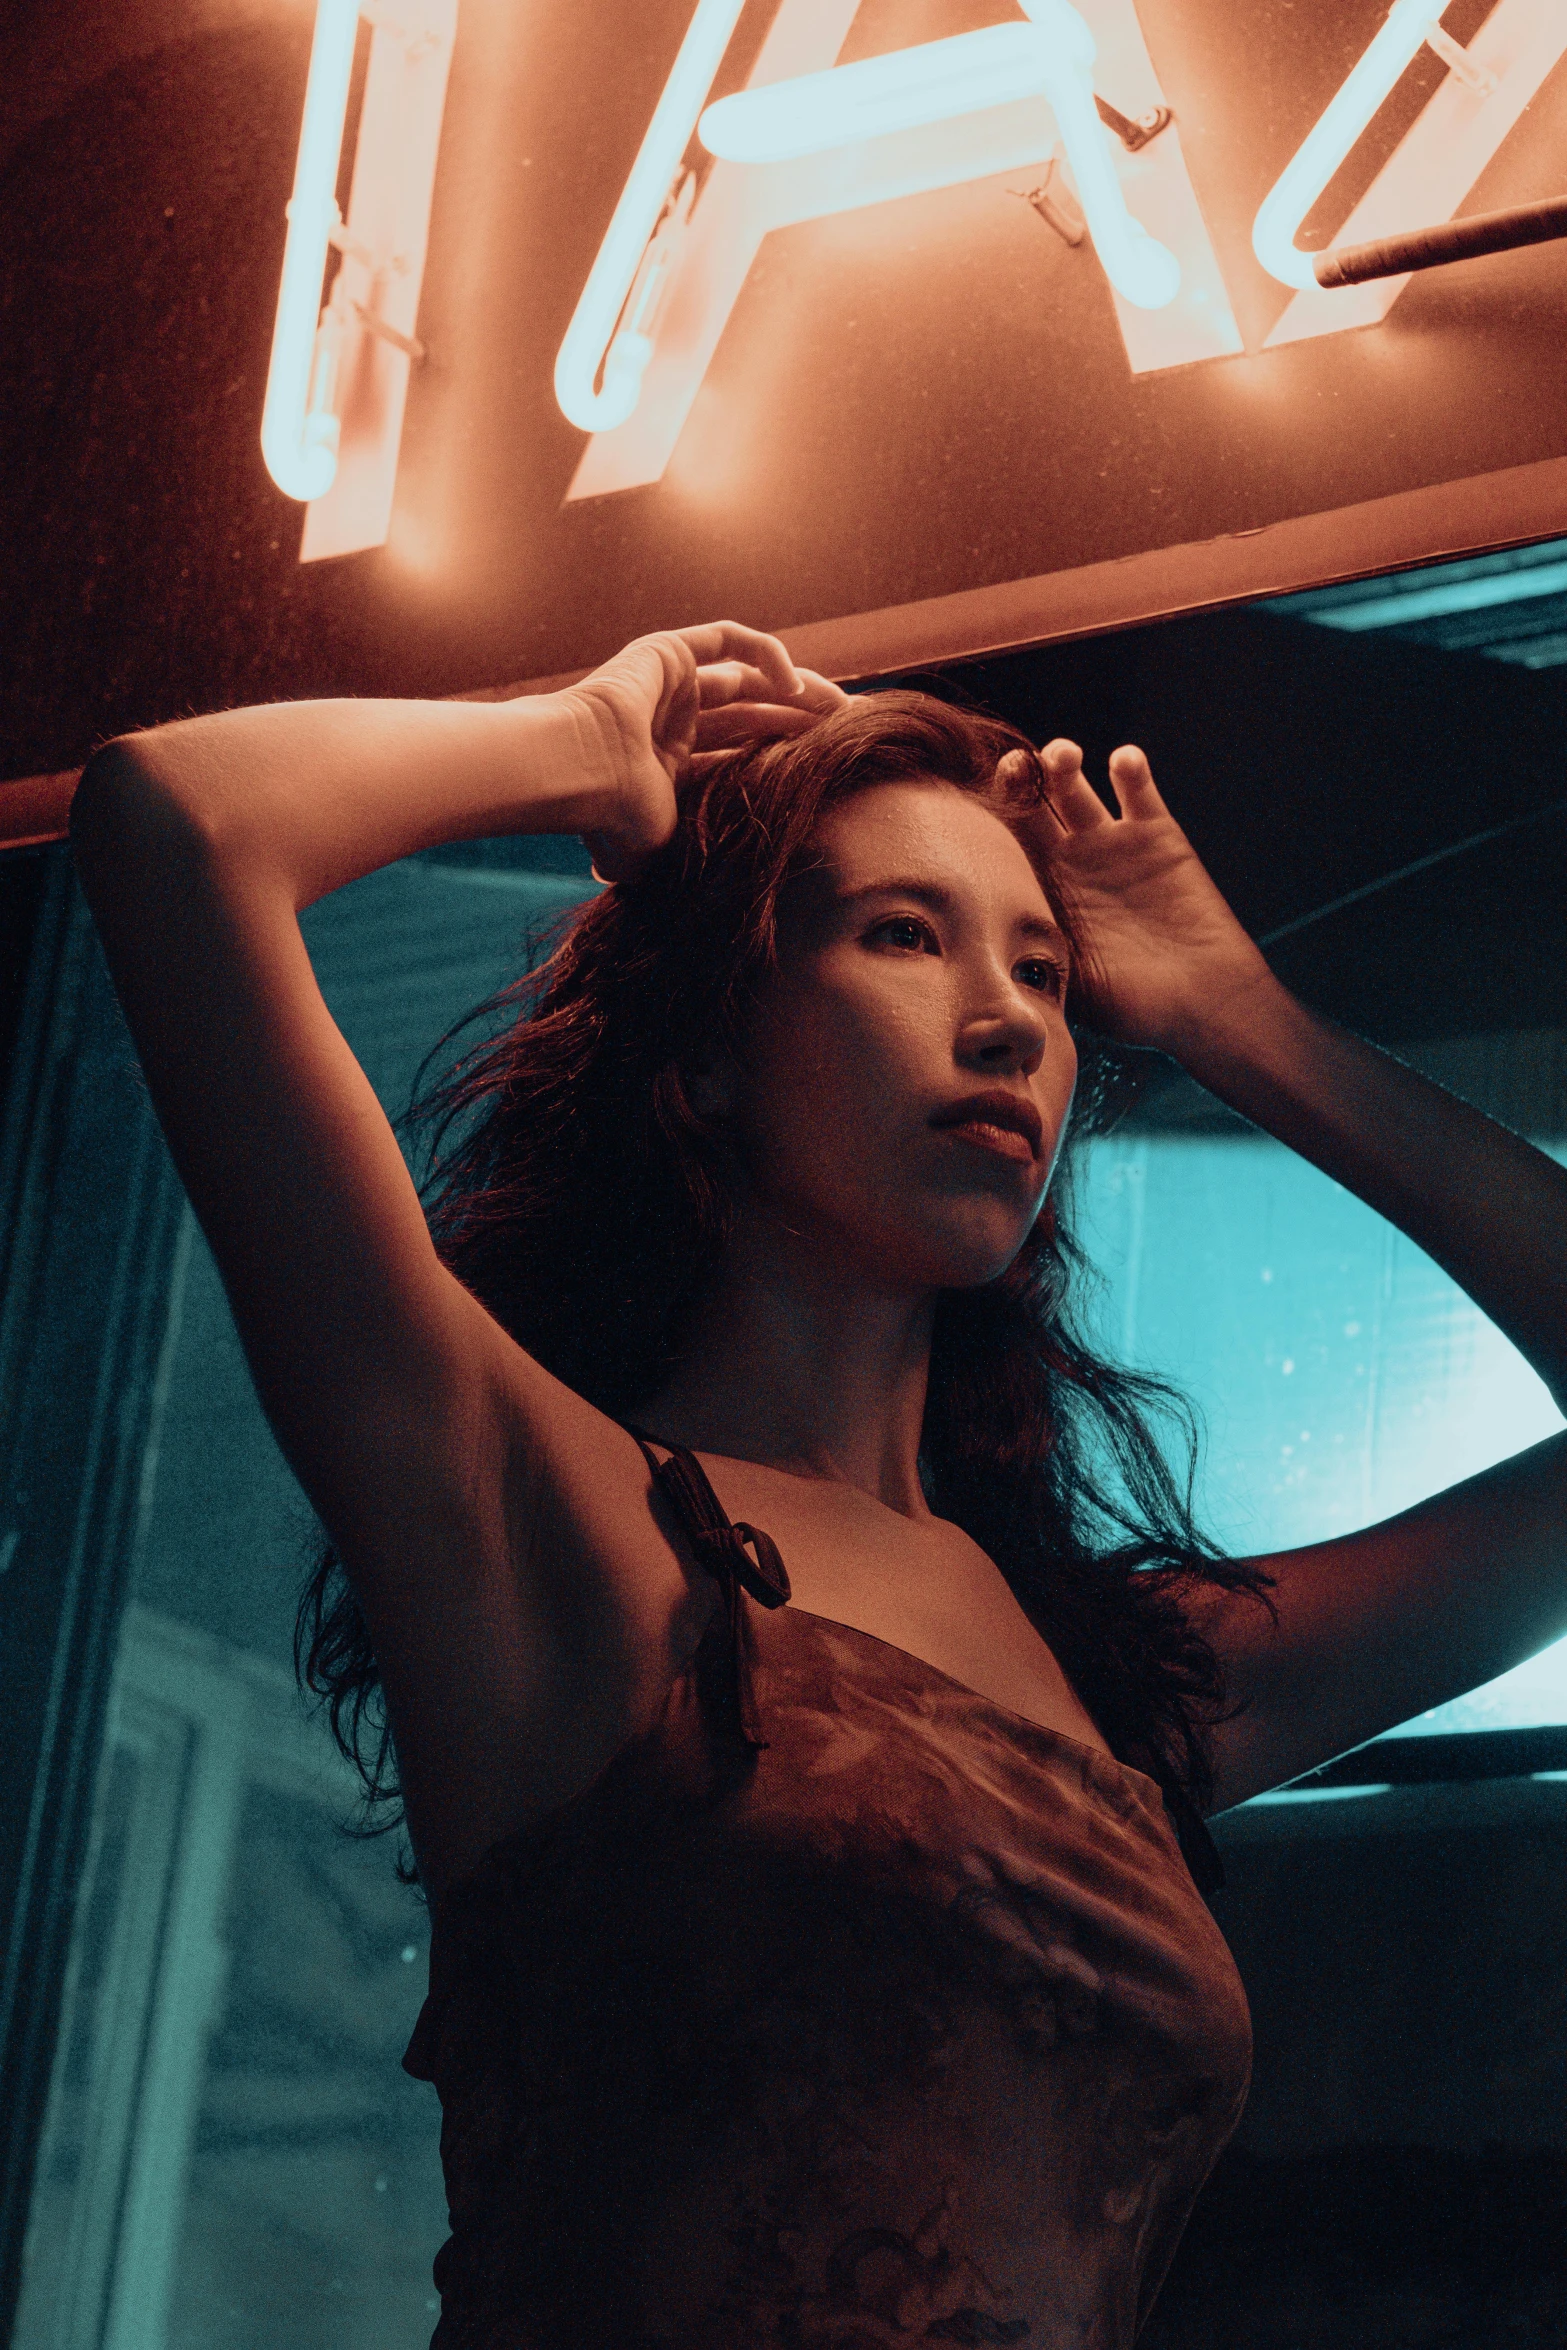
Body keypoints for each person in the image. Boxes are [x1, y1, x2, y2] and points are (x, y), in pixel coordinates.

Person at [71, 621, 1567, 2348]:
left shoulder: (1109, 1680)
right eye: (903, 936)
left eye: (1045, 974)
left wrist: (1235, 1016)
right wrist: (585, 739)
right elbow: (176, 821)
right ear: (705, 1050)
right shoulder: (537, 1509)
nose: (1003, 1018)